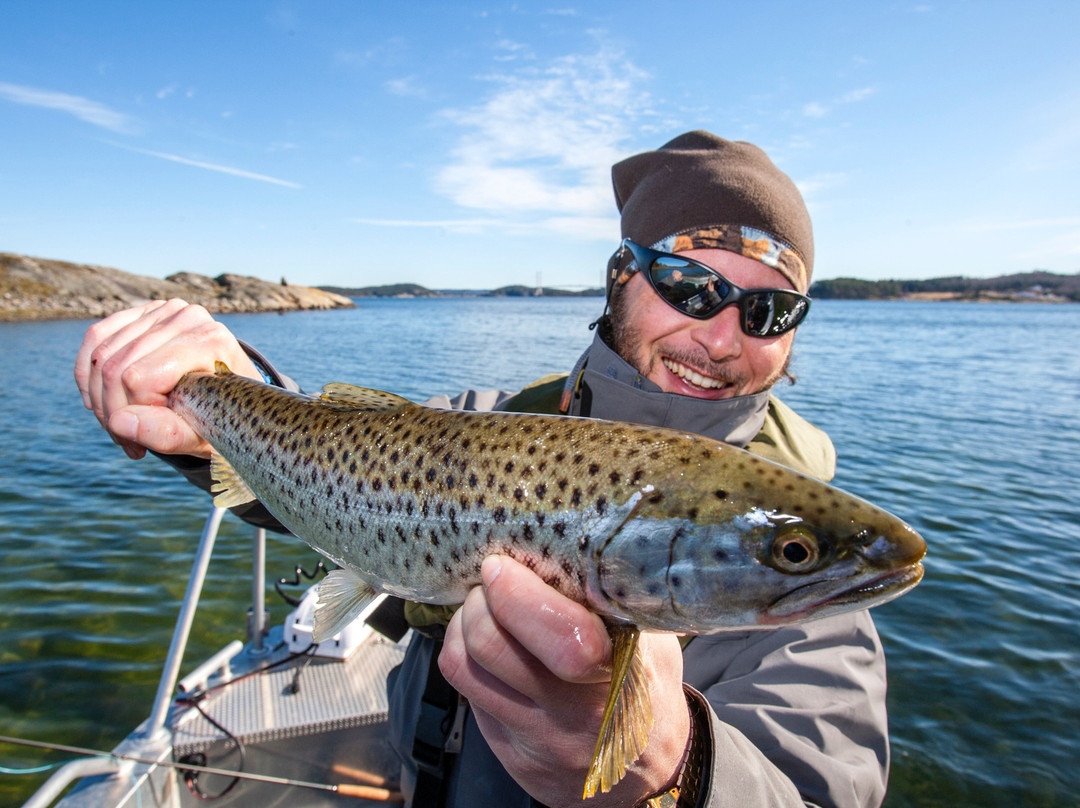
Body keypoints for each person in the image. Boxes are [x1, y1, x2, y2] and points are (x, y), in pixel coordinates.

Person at [74, 131, 889, 808]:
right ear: (621, 279)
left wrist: (681, 768)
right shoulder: (480, 417)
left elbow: (821, 785)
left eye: (769, 309)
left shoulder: (814, 588)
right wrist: (213, 389)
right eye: (688, 284)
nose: (721, 335)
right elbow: (330, 469)